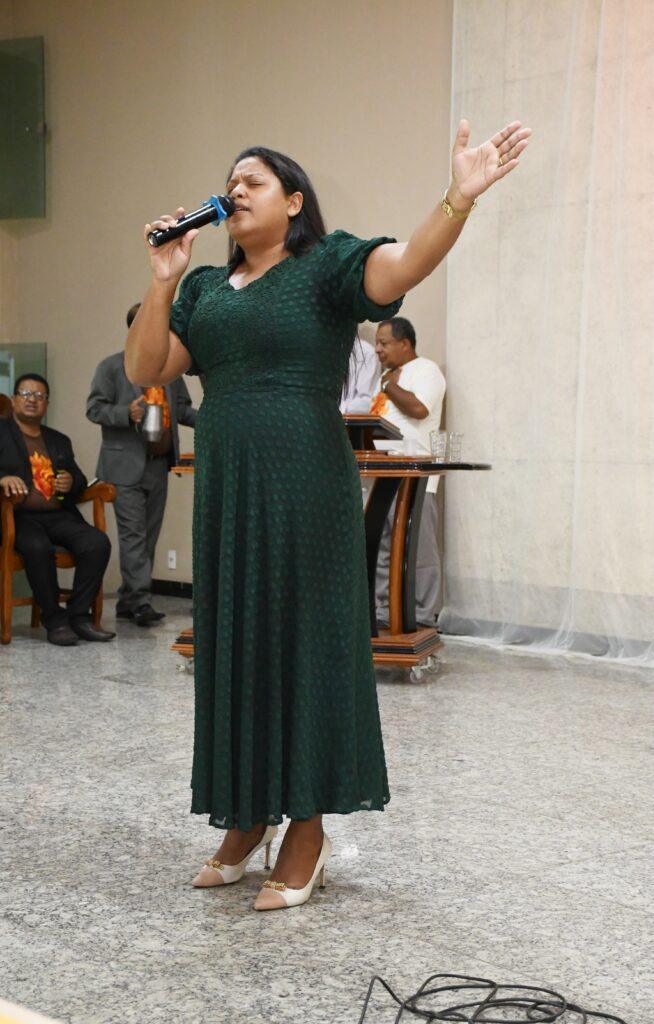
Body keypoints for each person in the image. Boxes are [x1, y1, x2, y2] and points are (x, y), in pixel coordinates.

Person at [125, 118, 531, 912]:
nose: (236, 189)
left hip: (305, 482)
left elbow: (404, 264)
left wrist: (458, 197)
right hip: (229, 486)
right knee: (235, 643)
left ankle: (306, 827)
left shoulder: (325, 265)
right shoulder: (203, 289)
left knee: (305, 644)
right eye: (230, 180)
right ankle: (246, 814)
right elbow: (147, 366)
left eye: (254, 180)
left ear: (293, 200)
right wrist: (163, 277)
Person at [86, 308, 197, 626]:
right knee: (133, 535)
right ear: (134, 330)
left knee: (149, 535)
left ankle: (128, 600)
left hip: (159, 465)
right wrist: (126, 413)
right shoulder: (111, 367)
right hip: (123, 468)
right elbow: (94, 408)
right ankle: (139, 602)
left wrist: (217, 420)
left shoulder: (171, 372)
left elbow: (183, 410)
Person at [0, 374, 114, 646]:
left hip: (58, 515)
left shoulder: (59, 440)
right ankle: (55, 620)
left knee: (97, 543)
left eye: (39, 396)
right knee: (37, 546)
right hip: (17, 516)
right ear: (14, 400)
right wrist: (2, 478)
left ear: (46, 404)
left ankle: (79, 616)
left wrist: (71, 481)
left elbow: (80, 481)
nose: (32, 400)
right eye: (26, 394)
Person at [370, 316, 446, 626]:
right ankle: (383, 612)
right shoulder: (384, 377)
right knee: (383, 547)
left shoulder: (426, 370)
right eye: (376, 343)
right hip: (384, 475)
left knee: (420, 550)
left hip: (416, 475)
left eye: (384, 343)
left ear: (404, 344)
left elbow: (418, 409)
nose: (378, 349)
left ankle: (424, 616)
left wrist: (389, 386)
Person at [339, 335, 381, 414]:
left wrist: (335, 409)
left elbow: (367, 402)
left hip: (346, 418)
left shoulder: (366, 352)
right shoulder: (321, 351)